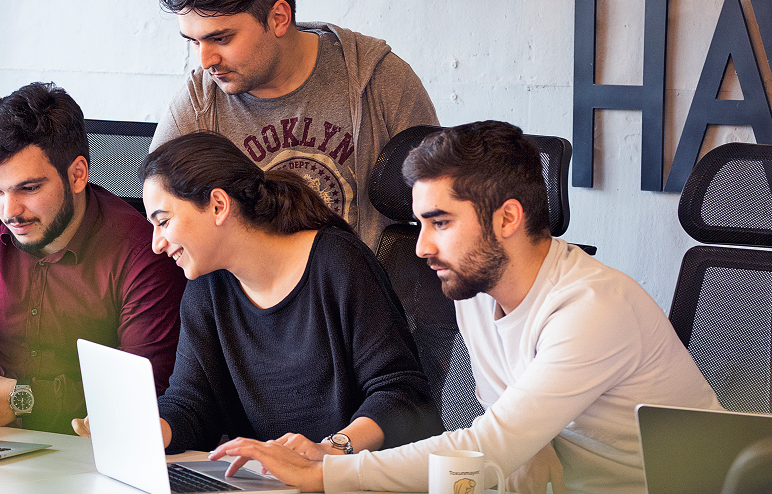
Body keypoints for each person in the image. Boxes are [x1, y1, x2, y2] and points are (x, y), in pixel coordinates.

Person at [209, 121, 722, 494]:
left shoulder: (591, 308)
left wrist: (326, 473)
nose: (421, 247)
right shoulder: (477, 293)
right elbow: (519, 452)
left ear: (507, 218)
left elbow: (491, 444)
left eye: (441, 223)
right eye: (420, 224)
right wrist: (329, 453)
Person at [99, 131, 443, 457]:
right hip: (265, 480)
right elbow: (191, 405)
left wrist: (330, 451)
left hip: (353, 476)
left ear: (218, 205)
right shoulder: (206, 289)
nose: (156, 244)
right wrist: (143, 429)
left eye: (163, 221)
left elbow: (401, 393)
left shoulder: (338, 263)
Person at [0, 82, 187, 436]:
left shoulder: (142, 252)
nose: (10, 211)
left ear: (77, 175)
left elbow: (141, 389)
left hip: (91, 444)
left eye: (28, 188)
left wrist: (24, 399)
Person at [151, 0, 438, 250]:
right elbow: (163, 220)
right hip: (249, 295)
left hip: (361, 292)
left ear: (279, 18)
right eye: (194, 41)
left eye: (221, 38)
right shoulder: (197, 106)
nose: (205, 61)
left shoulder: (380, 79)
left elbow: (439, 201)